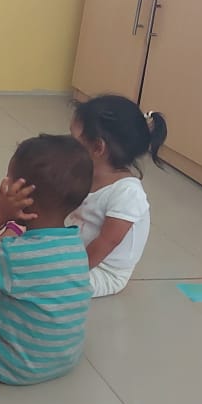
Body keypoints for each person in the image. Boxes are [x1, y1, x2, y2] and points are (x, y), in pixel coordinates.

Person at [0, 135, 93, 386]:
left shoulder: (12, 253)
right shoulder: (75, 245)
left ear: (25, 198)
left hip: (7, 362)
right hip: (63, 359)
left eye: (9, 185)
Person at [68, 95, 168, 298]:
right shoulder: (86, 173)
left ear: (98, 148)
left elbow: (107, 242)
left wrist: (67, 273)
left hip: (101, 271)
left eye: (73, 140)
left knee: (41, 282)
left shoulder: (127, 194)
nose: (66, 145)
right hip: (73, 253)